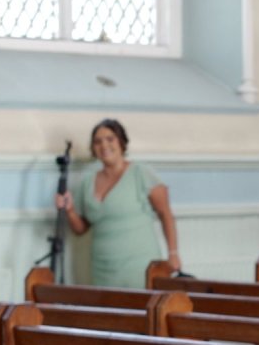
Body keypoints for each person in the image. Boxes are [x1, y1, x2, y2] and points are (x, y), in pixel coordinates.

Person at [54, 119, 181, 288]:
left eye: (110, 139)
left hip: (140, 268)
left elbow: (166, 214)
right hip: (103, 270)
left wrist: (173, 253)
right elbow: (80, 229)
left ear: (121, 141)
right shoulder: (87, 182)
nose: (104, 145)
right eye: (98, 141)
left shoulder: (140, 173)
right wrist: (69, 210)